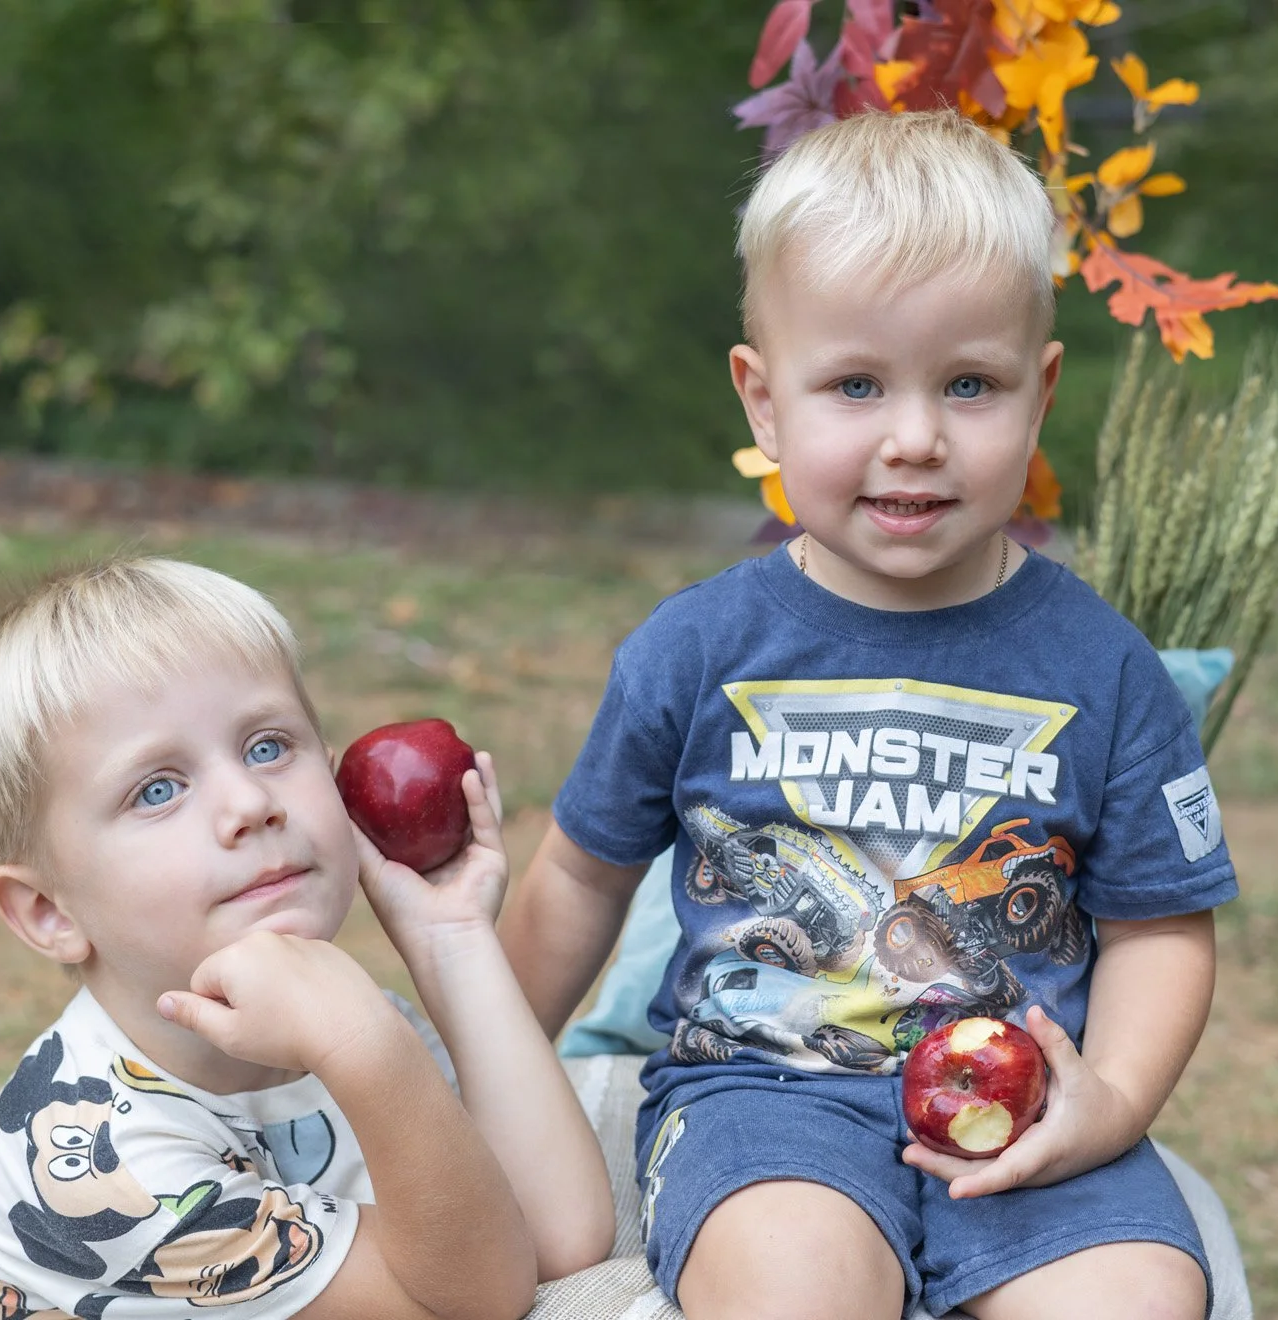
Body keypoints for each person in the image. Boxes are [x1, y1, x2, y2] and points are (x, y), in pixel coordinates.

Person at [499, 109, 1237, 1320]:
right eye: (855, 384)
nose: (915, 438)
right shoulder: (696, 650)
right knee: (791, 1286)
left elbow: (1163, 927)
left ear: (1040, 393)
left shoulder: (1103, 668)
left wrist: (1109, 1102)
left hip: (1030, 1113)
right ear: (764, 401)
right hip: (766, 1105)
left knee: (1138, 1300)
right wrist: (484, 1071)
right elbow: (579, 878)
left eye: (969, 384)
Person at [0, 556, 612, 1320]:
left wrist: (452, 944)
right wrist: (367, 1049)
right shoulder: (108, 1166)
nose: (251, 802)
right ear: (49, 912)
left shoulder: (353, 1023)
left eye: (267, 746)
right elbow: (480, 1295)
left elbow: (558, 1237)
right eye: (157, 789)